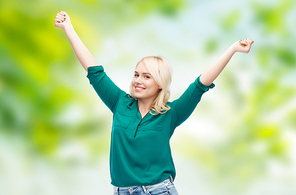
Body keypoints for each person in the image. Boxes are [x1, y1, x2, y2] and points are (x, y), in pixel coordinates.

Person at [55, 11, 254, 195]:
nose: (138, 81)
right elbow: (94, 70)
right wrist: (69, 28)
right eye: (136, 75)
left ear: (159, 83)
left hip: (159, 191)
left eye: (146, 76)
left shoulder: (170, 113)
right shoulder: (120, 103)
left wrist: (233, 49)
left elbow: (201, 83)